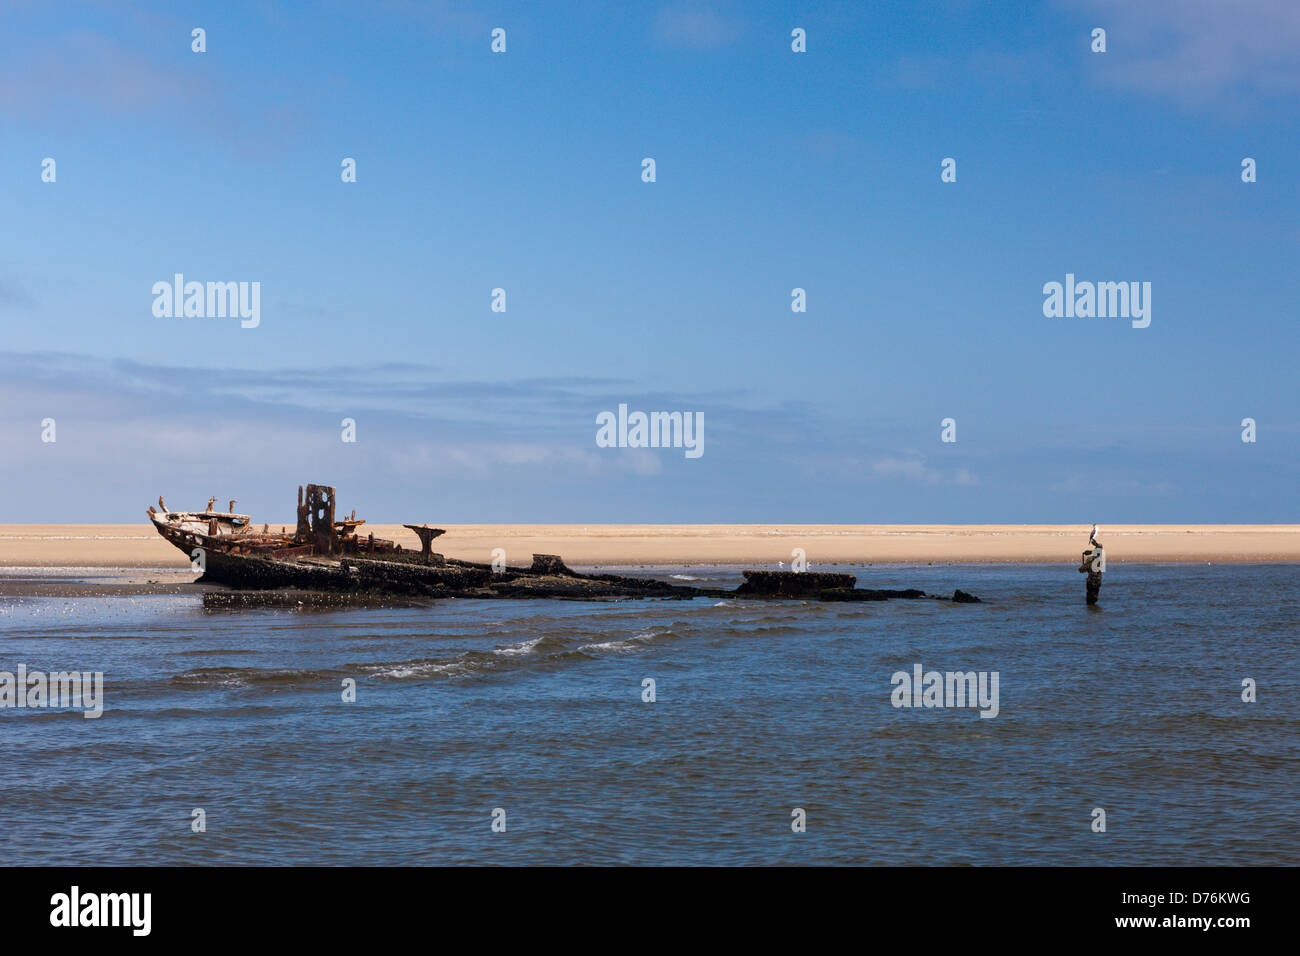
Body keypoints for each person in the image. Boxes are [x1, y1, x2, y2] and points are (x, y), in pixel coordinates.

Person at [1078, 525, 1103, 605]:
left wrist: (1084, 559)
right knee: (1095, 599)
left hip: (1091, 583)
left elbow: (1081, 570)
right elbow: (1099, 548)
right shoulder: (1100, 559)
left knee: (1090, 601)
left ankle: (1091, 614)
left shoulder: (1091, 559)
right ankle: (1095, 613)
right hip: (1098, 582)